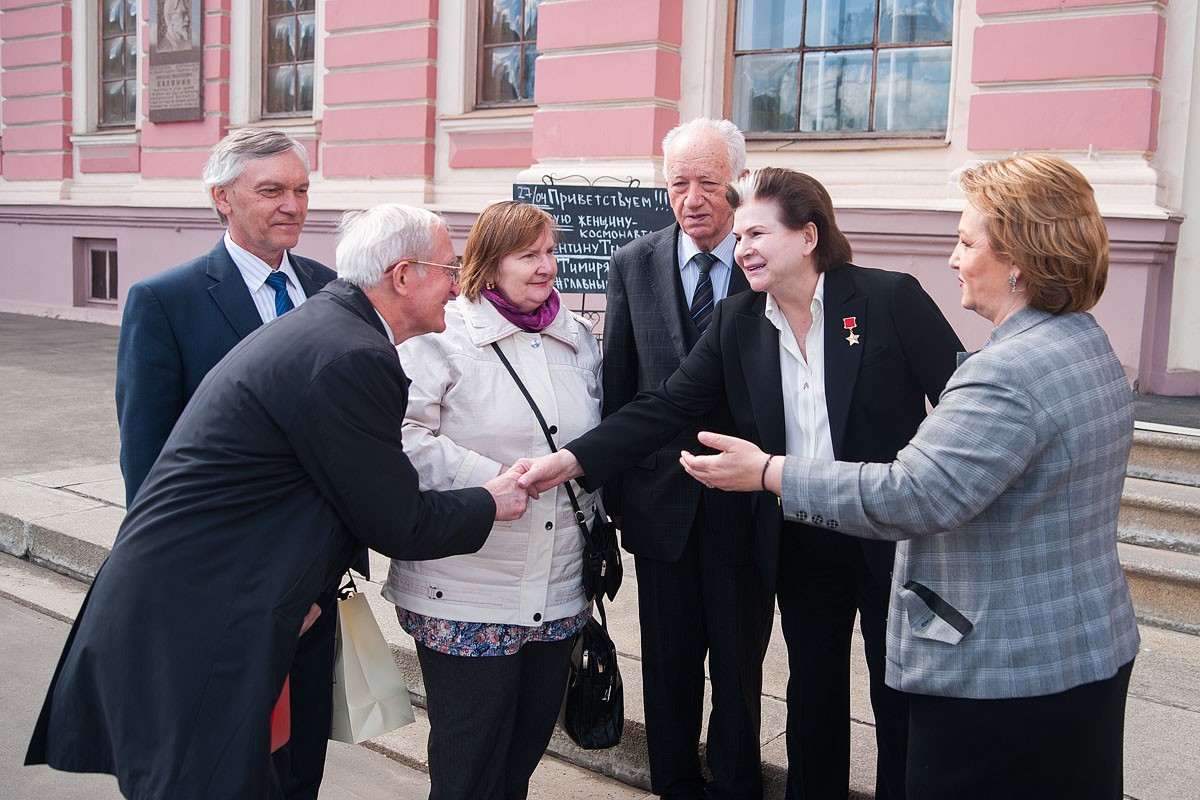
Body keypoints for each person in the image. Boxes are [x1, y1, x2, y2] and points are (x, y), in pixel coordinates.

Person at [26, 203, 532, 800]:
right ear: (401, 276)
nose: (458, 283)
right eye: (448, 267)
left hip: (209, 599)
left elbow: (304, 491)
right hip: (202, 616)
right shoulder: (355, 355)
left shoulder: (332, 327)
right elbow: (396, 520)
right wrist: (489, 500)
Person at [678, 154, 1140, 799]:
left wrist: (767, 472)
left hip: (1005, 671)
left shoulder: (1001, 369)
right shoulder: (1084, 344)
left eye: (965, 241)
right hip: (1085, 650)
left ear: (1019, 258)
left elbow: (914, 493)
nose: (952, 258)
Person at [516, 167, 962, 799]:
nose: (742, 246)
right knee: (813, 698)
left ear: (808, 236)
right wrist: (573, 461)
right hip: (804, 532)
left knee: (899, 696)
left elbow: (960, 404)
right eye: (741, 234)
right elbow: (664, 406)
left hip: (893, 535)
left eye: (758, 232)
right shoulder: (737, 320)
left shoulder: (889, 299)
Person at [113, 127, 338, 800]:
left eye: (300, 190)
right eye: (271, 190)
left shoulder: (331, 291)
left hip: (315, 578)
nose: (292, 205)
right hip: (221, 584)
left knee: (300, 760)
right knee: (226, 765)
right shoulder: (166, 301)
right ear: (221, 199)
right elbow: (149, 462)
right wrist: (187, 587)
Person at [382, 200, 601, 800]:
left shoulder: (577, 338)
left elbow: (598, 439)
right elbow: (403, 435)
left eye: (551, 251)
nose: (546, 266)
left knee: (523, 752)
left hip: (556, 586)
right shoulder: (444, 333)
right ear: (489, 261)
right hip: (466, 588)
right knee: (469, 757)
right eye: (527, 254)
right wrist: (495, 481)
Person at [603, 117, 772, 800]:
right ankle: (673, 784)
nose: (693, 198)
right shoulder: (633, 262)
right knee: (668, 665)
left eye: (707, 182)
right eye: (678, 183)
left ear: (736, 181)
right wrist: (617, 494)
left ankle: (736, 786)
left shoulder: (767, 262)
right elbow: (620, 384)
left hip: (746, 501)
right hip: (660, 503)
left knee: (738, 664)